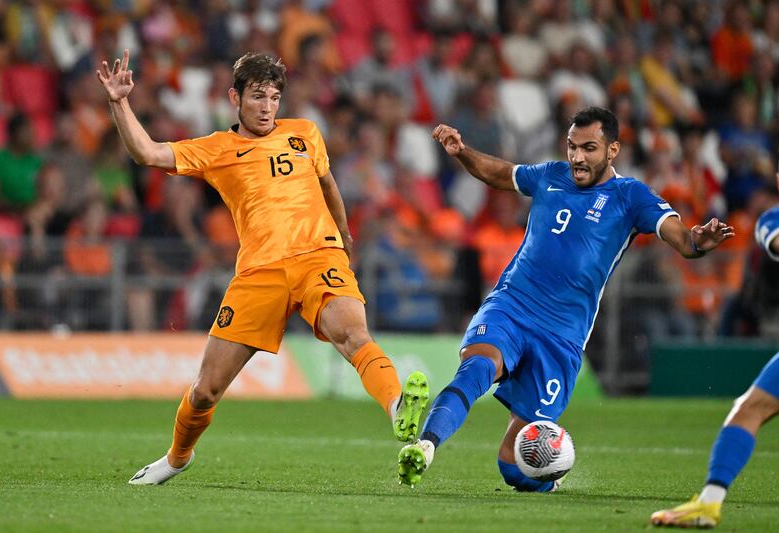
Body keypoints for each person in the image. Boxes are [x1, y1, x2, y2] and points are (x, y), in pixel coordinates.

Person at [96, 50, 429, 485]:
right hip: (259, 273)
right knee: (206, 390)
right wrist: (120, 102)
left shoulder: (305, 133)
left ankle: (397, 407)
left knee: (353, 334)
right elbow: (148, 153)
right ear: (235, 97)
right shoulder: (218, 149)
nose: (267, 107)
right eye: (257, 96)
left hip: (318, 257)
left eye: (274, 97)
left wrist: (344, 235)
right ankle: (176, 459)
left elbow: (327, 184)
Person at [397, 107, 735, 491]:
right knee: (477, 366)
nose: (577, 157)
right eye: (572, 146)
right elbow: (501, 173)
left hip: (561, 338)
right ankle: (426, 446)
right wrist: (462, 152)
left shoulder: (630, 196)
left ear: (612, 150)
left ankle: (549, 478)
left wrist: (698, 241)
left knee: (516, 467)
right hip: (512, 306)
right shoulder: (551, 175)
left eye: (589, 148)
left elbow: (683, 239)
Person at [650, 175, 779, 529]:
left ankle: (708, 504)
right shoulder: (771, 221)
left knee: (749, 410)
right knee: (749, 409)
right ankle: (708, 504)